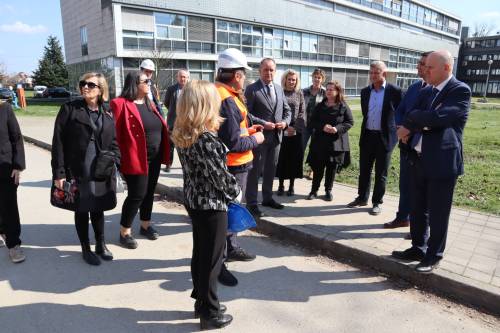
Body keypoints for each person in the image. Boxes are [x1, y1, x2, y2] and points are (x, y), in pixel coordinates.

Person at [392, 50, 470, 273]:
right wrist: (419, 120)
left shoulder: (459, 90)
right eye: (425, 67)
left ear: (446, 68)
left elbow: (440, 118)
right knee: (417, 208)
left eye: (430, 67)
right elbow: (411, 113)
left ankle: (433, 255)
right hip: (418, 158)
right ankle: (418, 246)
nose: (425, 70)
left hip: (442, 162)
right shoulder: (428, 91)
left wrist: (417, 121)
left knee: (438, 212)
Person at [173, 80, 239, 330]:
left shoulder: (184, 132)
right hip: (211, 205)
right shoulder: (206, 138)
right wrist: (237, 191)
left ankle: (202, 303)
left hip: (194, 201)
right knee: (212, 260)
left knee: (201, 255)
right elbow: (221, 178)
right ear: (204, 104)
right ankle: (209, 313)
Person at [51, 72, 120, 265]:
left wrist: (115, 159)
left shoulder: (107, 111)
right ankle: (85, 247)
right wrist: (60, 172)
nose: (85, 87)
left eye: (90, 84)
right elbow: (58, 143)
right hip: (78, 169)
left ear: (100, 90)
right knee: (81, 208)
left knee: (98, 207)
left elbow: (114, 140)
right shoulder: (70, 109)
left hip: (101, 169)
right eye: (83, 84)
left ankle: (101, 243)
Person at [214, 48, 265, 286]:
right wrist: (256, 139)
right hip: (234, 166)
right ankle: (221, 261)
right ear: (236, 75)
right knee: (230, 212)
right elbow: (233, 143)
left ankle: (231, 248)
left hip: (235, 164)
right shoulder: (226, 99)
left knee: (231, 211)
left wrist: (250, 130)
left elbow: (235, 131)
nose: (245, 77)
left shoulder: (224, 93)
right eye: (243, 73)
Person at [110, 71, 170, 249]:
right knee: (137, 195)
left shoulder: (150, 103)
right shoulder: (120, 104)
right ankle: (124, 231)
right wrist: (117, 159)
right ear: (135, 84)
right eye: (146, 81)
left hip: (155, 157)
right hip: (135, 159)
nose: (149, 83)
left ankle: (145, 225)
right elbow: (114, 133)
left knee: (149, 192)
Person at [384, 52, 432, 232]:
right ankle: (402, 218)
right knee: (405, 184)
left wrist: (409, 131)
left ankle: (420, 229)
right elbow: (401, 110)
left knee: (422, 191)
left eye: (422, 63)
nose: (418, 66)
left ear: (431, 67)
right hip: (406, 145)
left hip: (424, 148)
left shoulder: (438, 91)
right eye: (418, 63)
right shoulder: (414, 87)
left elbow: (430, 118)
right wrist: (400, 129)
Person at [347, 61, 402, 215]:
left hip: (385, 138)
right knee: (364, 170)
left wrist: (398, 132)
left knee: (381, 173)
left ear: (384, 74)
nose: (372, 75)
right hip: (367, 136)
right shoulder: (365, 92)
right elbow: (366, 114)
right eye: (370, 72)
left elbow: (402, 113)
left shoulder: (395, 91)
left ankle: (377, 202)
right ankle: (362, 197)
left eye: (376, 72)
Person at [244, 58, 291, 218]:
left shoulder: (278, 88)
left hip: (276, 137)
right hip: (259, 137)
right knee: (255, 171)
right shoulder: (251, 89)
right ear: (260, 71)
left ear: (275, 71)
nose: (269, 73)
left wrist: (285, 123)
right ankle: (251, 203)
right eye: (266, 70)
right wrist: (265, 123)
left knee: (271, 169)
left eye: (271, 70)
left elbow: (287, 111)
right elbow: (247, 114)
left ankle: (267, 198)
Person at [306, 81, 353, 201]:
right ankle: (314, 190)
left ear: (337, 91)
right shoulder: (320, 105)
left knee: (331, 168)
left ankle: (328, 190)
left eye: (332, 89)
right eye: (327, 89)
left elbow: (349, 122)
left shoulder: (343, 106)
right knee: (318, 167)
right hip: (320, 142)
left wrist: (336, 129)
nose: (328, 91)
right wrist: (322, 126)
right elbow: (312, 121)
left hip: (335, 143)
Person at [0, 100, 26, 263]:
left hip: (6, 167)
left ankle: (13, 244)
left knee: (9, 206)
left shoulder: (5, 108)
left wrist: (18, 166)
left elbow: (16, 137)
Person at [276, 69, 306, 196]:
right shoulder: (279, 92)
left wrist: (295, 128)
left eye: (294, 79)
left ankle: (291, 186)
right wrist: (284, 127)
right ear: (285, 80)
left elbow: (302, 112)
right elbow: (276, 111)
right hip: (282, 129)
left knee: (294, 159)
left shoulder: (300, 93)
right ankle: (281, 185)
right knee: (282, 158)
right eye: (289, 79)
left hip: (295, 131)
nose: (291, 82)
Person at [164, 69, 190, 172]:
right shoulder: (171, 89)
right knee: (170, 145)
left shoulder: (191, 89)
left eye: (184, 77)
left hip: (186, 123)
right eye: (181, 76)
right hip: (173, 122)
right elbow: (166, 103)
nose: (183, 78)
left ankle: (185, 165)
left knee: (184, 145)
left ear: (188, 78)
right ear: (177, 77)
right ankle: (168, 164)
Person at [302, 68, 326, 151]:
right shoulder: (304, 91)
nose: (316, 79)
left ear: (322, 79)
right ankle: (298, 164)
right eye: (315, 77)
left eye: (319, 77)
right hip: (305, 125)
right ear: (312, 78)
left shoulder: (325, 92)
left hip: (318, 126)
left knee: (315, 150)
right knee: (301, 148)